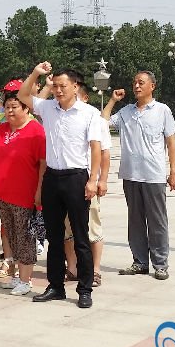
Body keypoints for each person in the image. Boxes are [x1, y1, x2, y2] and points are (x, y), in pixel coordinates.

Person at [19, 64, 102, 308]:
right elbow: (23, 95)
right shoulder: (48, 108)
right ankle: (55, 286)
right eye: (54, 86)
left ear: (75, 87)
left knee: (81, 236)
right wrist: (36, 73)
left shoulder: (89, 113)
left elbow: (95, 148)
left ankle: (84, 289)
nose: (57, 90)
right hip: (52, 178)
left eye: (62, 86)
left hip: (77, 177)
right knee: (54, 237)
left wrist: (93, 180)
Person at [102, 71, 175, 280]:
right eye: (134, 82)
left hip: (154, 176)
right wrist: (112, 100)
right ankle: (140, 262)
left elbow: (171, 142)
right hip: (130, 175)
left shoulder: (162, 110)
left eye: (141, 83)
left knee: (157, 222)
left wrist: (173, 172)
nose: (136, 86)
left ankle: (160, 264)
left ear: (152, 86)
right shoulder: (126, 112)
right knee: (135, 221)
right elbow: (102, 122)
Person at [0, 93, 46, 296]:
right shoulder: (0, 129)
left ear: (26, 109)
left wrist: (40, 190)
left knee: (25, 236)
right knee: (12, 235)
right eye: (7, 107)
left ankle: (26, 280)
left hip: (24, 193)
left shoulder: (36, 131)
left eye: (15, 106)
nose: (10, 111)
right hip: (3, 192)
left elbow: (43, 163)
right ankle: (17, 276)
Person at [63, 85, 111, 286]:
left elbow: (105, 153)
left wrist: (101, 179)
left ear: (84, 98)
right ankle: (73, 267)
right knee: (68, 228)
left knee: (92, 227)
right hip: (65, 181)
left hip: (88, 181)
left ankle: (95, 270)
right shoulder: (63, 118)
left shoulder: (96, 120)